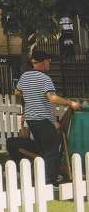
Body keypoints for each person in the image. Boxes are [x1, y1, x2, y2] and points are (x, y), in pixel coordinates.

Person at [15, 50, 82, 186]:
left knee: (43, 151)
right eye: (49, 61)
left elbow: (17, 92)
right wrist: (71, 103)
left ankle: (42, 180)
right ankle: (49, 183)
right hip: (43, 119)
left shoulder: (25, 76)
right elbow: (52, 97)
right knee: (52, 152)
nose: (49, 64)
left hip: (31, 120)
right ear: (44, 62)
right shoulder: (45, 79)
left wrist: (31, 96)